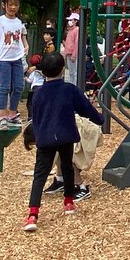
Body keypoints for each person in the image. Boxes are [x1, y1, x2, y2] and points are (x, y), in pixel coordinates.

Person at [23, 52, 104, 229]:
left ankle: (33, 213)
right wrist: (99, 119)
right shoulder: (69, 89)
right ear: (63, 69)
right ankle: (68, 201)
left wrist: (37, 135)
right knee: (67, 165)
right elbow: (85, 109)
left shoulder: (38, 93)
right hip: (66, 134)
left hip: (45, 137)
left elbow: (36, 117)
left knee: (40, 174)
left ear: (43, 72)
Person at [0, 0, 29, 127]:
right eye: (10, 4)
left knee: (18, 86)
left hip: (16, 58)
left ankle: (12, 113)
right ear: (4, 5)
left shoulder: (19, 22)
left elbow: (23, 35)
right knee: (4, 87)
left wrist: (26, 45)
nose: (13, 7)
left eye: (15, 5)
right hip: (4, 59)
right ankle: (2, 116)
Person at [61, 13, 80, 86]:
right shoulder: (70, 30)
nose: (69, 21)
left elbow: (77, 43)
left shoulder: (76, 30)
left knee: (74, 73)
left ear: (76, 21)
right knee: (71, 73)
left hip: (73, 54)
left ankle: (74, 86)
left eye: (71, 20)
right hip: (69, 53)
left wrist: (74, 55)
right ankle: (72, 86)